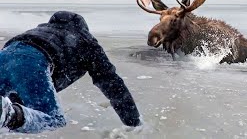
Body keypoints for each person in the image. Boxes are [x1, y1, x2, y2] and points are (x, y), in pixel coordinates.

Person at [0, 11, 141, 133]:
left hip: (5, 54)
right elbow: (112, 83)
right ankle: (9, 115)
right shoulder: (86, 41)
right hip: (32, 61)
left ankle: (7, 113)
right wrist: (134, 122)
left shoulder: (37, 31)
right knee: (55, 120)